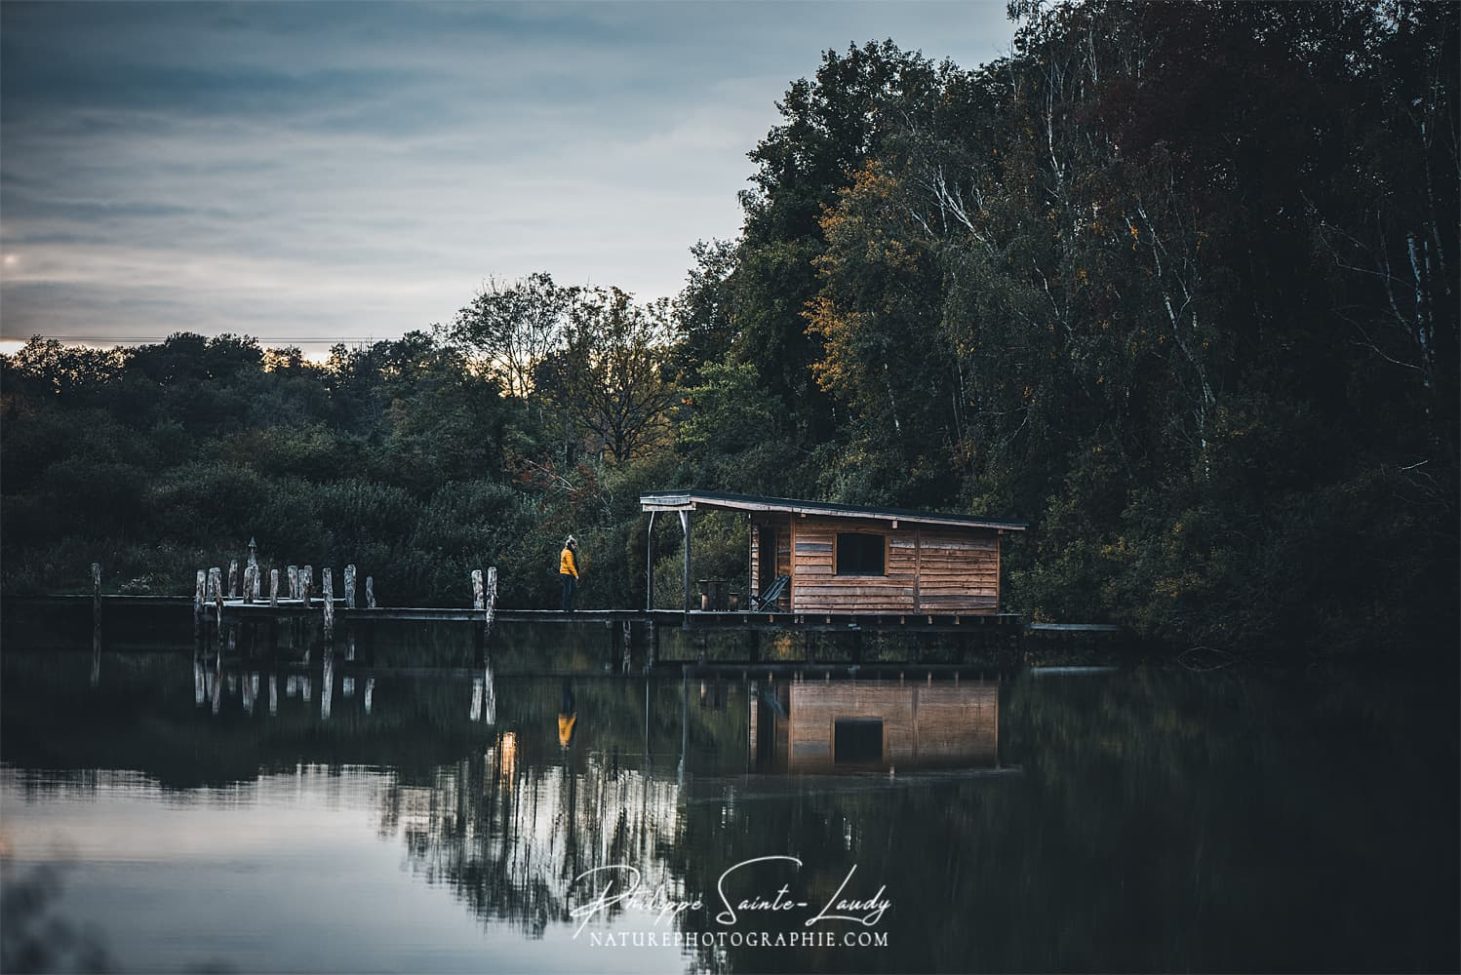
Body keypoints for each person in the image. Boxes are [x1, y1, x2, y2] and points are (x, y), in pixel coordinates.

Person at [559, 535, 579, 612]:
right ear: (571, 545)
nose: (575, 547)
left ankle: (566, 607)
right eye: (574, 545)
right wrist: (576, 575)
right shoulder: (568, 553)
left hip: (564, 573)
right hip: (567, 573)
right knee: (569, 591)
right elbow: (570, 565)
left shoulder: (564, 551)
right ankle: (568, 607)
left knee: (567, 590)